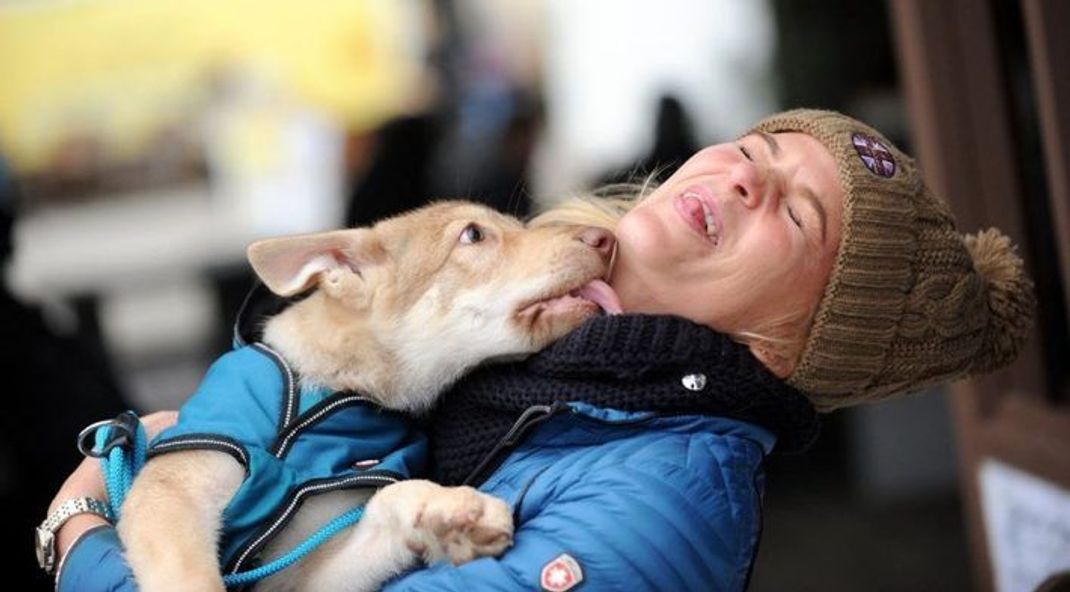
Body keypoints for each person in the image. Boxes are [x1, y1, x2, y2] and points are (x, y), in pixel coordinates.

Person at [40, 109, 1034, 591]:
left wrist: (82, 530)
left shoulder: (666, 504)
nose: (743, 177)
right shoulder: (522, 360)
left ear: (786, 340)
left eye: (799, 213)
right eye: (757, 149)